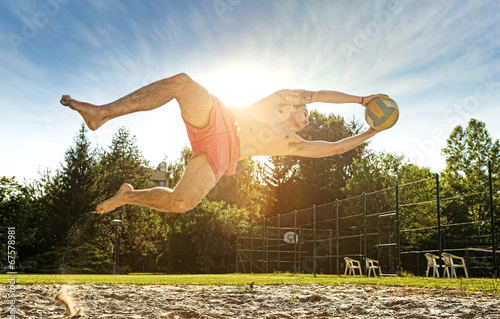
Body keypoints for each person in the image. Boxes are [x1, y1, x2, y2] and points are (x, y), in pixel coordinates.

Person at [60, 73, 388, 214]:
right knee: (183, 83)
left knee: (180, 203)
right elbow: (317, 95)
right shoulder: (283, 100)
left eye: (308, 119)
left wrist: (370, 133)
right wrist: (362, 99)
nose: (308, 118)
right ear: (298, 107)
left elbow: (334, 148)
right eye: (307, 113)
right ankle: (102, 113)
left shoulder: (291, 142)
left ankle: (127, 196)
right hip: (219, 116)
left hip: (220, 154)